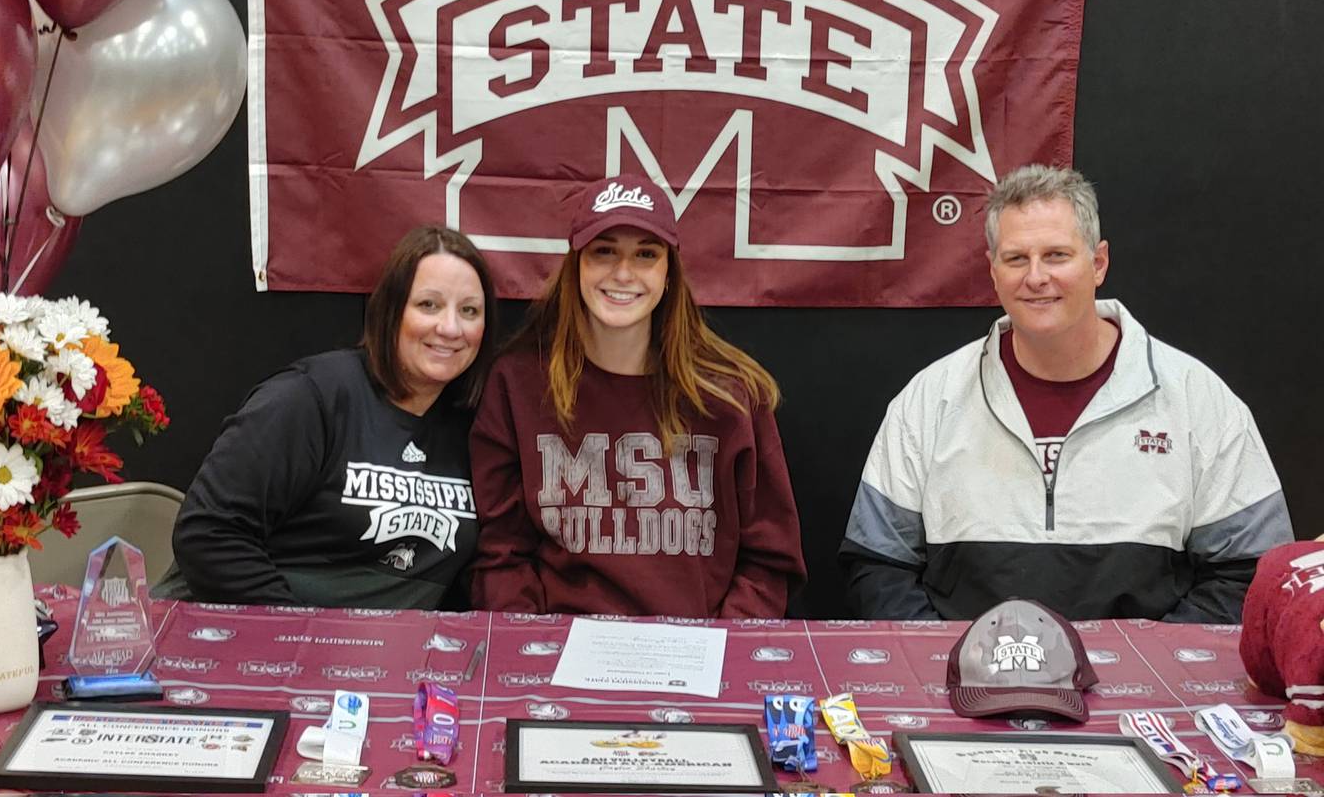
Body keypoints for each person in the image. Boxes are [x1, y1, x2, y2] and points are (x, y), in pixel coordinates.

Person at [838, 164, 1293, 622]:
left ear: (1098, 263)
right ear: (992, 270)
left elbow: (1252, 573)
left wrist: (1142, 667)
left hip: (1141, 688)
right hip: (968, 686)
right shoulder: (929, 400)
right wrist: (957, 663)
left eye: (1056, 255)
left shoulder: (1197, 399)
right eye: (1016, 259)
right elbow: (878, 565)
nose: (1036, 277)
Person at [468, 174, 806, 617]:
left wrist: (721, 652)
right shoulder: (517, 385)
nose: (623, 274)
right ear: (577, 266)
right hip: (560, 657)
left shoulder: (732, 396)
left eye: (646, 255)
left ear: (669, 274)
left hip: (694, 658)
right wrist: (533, 649)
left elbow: (768, 562)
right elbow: (501, 556)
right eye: (604, 251)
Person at [163, 225, 497, 608]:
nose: (450, 327)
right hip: (239, 644)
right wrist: (300, 639)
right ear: (389, 310)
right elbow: (208, 533)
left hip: (376, 659)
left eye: (469, 310)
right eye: (428, 305)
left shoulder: (474, 429)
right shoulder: (310, 398)